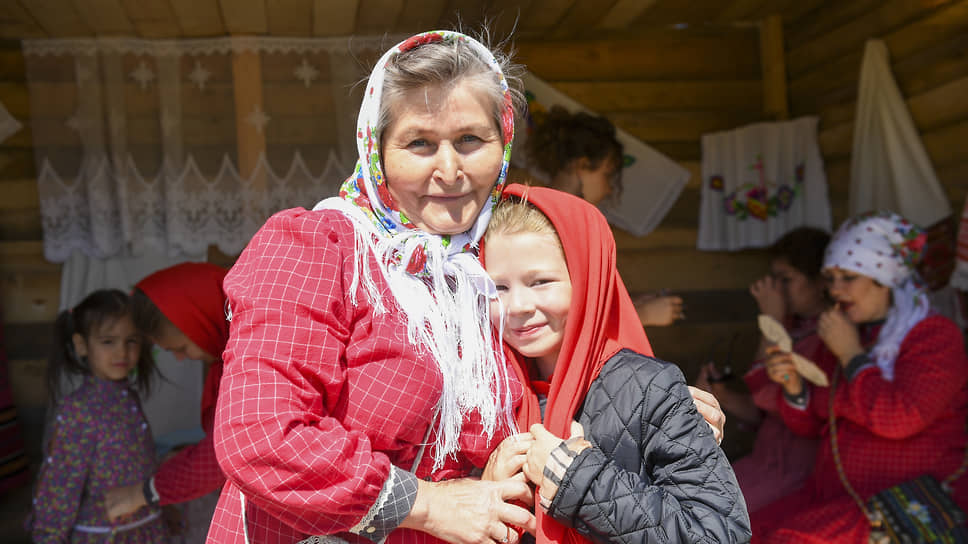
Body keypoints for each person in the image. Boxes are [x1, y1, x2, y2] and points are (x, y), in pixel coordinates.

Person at [207, 30, 724, 544]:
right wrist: (427, 504)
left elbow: (565, 372)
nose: (449, 170)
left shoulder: (489, 264)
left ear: (503, 144)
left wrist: (658, 416)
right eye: (419, 143)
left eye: (470, 140)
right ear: (377, 150)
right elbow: (261, 434)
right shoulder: (320, 249)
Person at [482, 184, 751, 543]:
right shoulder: (484, 393)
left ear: (588, 280)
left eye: (540, 282)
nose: (517, 306)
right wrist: (485, 493)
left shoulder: (650, 390)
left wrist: (577, 477)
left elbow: (719, 533)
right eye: (497, 288)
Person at [751, 211, 968, 543]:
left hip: (906, 502)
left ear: (884, 280)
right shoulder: (844, 334)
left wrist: (852, 356)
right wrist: (794, 389)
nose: (836, 290)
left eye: (849, 278)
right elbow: (811, 423)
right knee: (747, 529)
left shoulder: (935, 337)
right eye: (830, 277)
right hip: (835, 495)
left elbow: (902, 418)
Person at [695, 227, 831, 513]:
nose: (776, 290)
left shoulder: (830, 337)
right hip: (766, 461)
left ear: (820, 282)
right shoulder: (790, 328)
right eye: (774, 279)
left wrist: (771, 319)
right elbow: (764, 410)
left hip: (800, 470)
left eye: (786, 279)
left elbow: (772, 397)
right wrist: (722, 396)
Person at [27, 289, 167, 543]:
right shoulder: (78, 411)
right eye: (108, 341)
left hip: (145, 529)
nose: (122, 352)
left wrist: (165, 511)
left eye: (131, 341)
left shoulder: (128, 398)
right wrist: (49, 536)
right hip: (104, 535)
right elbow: (59, 487)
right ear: (82, 345)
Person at [524, 105, 683, 328]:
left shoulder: (552, 215)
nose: (609, 189)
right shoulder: (540, 223)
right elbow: (557, 318)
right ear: (581, 166)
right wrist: (642, 315)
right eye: (607, 175)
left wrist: (629, 306)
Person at [102, 263, 228, 531]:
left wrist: (143, 493)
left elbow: (224, 454)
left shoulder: (251, 361)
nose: (182, 358)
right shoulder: (226, 360)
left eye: (180, 348)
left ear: (202, 317)